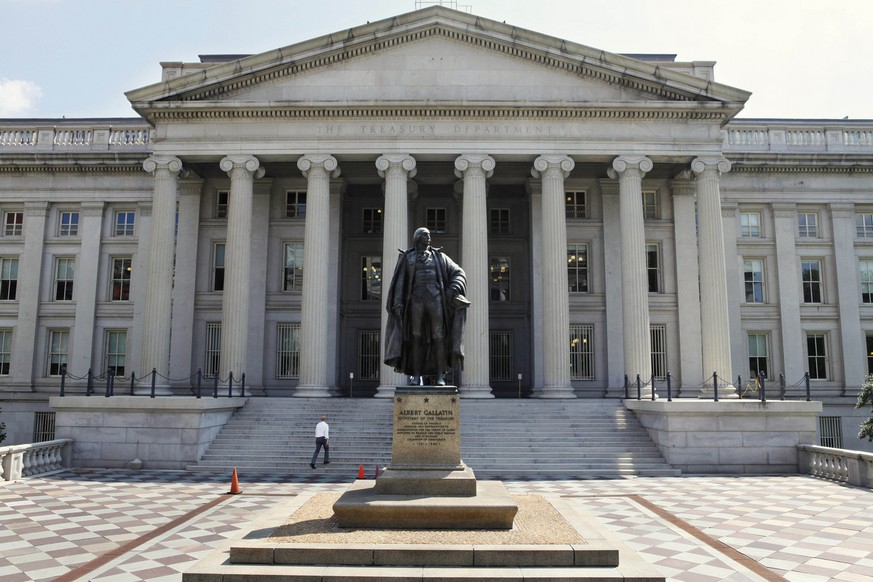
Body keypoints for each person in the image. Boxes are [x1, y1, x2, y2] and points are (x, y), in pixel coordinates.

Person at [384, 227, 469, 386]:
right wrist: (397, 302)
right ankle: (416, 376)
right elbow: (400, 281)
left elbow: (459, 273)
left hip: (436, 299)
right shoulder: (407, 258)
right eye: (425, 235)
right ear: (417, 238)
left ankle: (440, 376)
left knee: (439, 336)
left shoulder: (440, 257)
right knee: (415, 337)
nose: (429, 237)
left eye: (429, 235)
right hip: (415, 300)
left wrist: (451, 291)